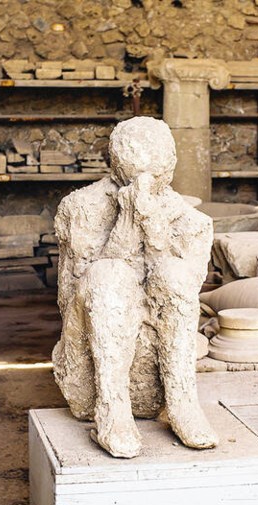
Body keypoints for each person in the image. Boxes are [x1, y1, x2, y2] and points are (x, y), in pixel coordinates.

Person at [52, 117, 218, 458]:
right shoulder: (81, 207)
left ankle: (181, 401)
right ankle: (112, 410)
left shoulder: (192, 221)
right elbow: (78, 292)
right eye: (137, 175)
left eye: (155, 177)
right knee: (109, 275)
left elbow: (187, 287)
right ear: (115, 167)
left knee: (173, 273)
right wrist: (126, 225)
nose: (147, 184)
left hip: (152, 352)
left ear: (169, 168)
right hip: (93, 346)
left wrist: (153, 228)